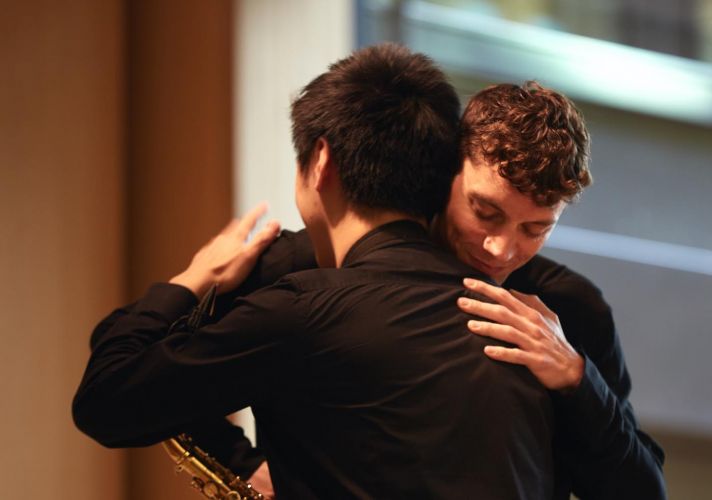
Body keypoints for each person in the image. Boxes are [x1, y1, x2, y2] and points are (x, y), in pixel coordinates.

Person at [72, 44, 555, 499]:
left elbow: (106, 400)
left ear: (320, 161)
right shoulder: (531, 321)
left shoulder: (300, 310)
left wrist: (194, 279)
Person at [200, 82, 669, 498]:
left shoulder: (572, 309)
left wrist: (576, 378)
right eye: (485, 212)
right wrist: (245, 465)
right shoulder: (317, 264)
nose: (501, 249)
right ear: (447, 175)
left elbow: (642, 491)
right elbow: (172, 369)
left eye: (535, 229)